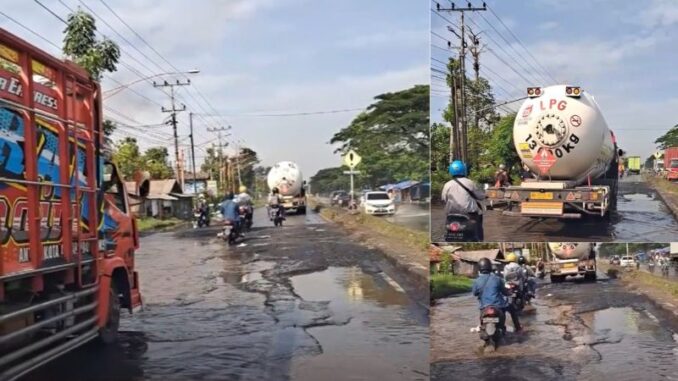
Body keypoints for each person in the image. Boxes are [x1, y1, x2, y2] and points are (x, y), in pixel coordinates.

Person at [473, 257, 522, 332]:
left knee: (481, 313)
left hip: (484, 307)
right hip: (499, 306)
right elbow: (505, 292)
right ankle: (518, 328)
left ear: (479, 268)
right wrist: (509, 292)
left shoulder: (476, 281)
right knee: (512, 309)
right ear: (490, 267)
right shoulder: (497, 279)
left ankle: (482, 327)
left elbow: (475, 293)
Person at [441, 160, 486, 240]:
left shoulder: (447, 185)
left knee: (448, 235)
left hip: (451, 216)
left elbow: (444, 199)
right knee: (477, 235)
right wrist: (486, 195)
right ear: (464, 170)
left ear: (451, 171)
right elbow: (480, 197)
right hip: (470, 215)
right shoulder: (470, 183)